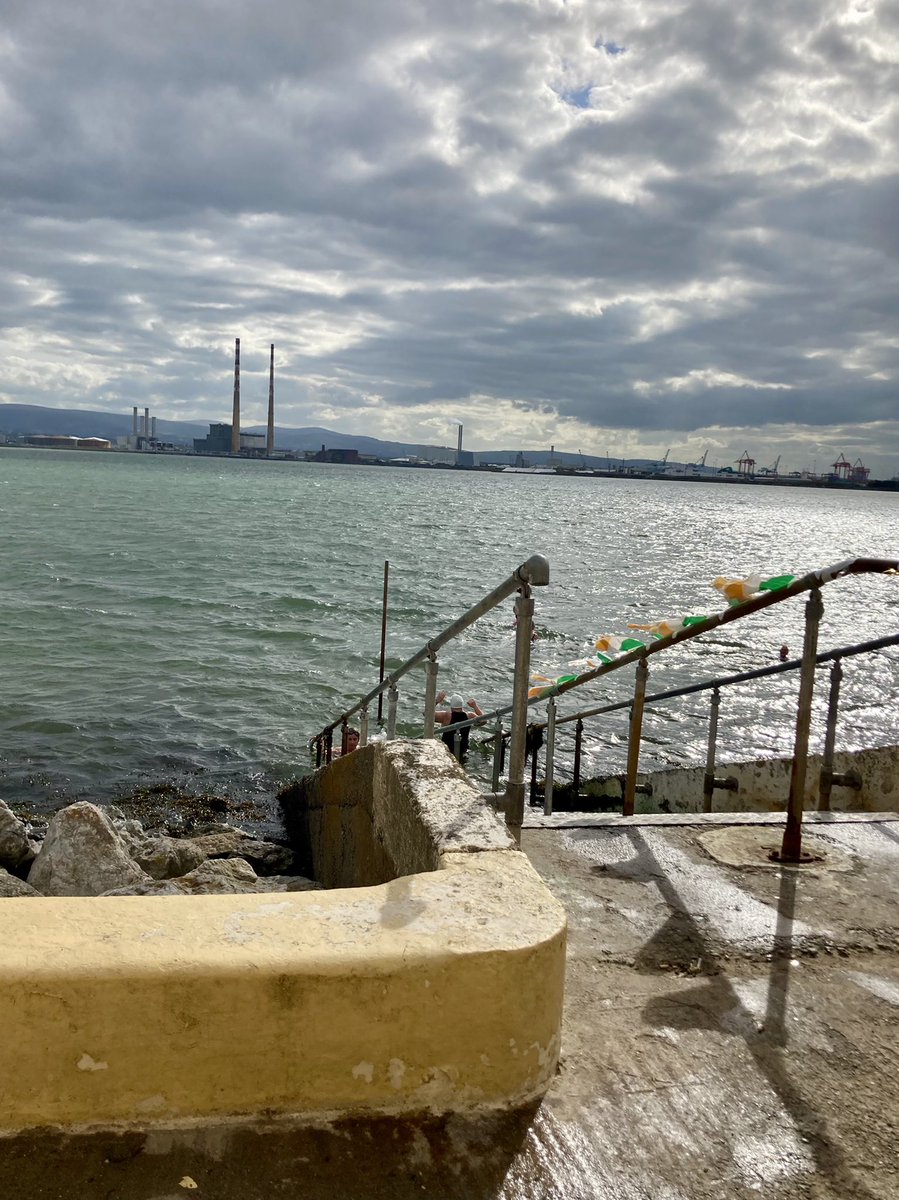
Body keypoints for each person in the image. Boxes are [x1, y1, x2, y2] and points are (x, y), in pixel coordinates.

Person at [434, 691, 483, 763]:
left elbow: (426, 714)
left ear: (451, 705)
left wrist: (437, 701)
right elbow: (484, 720)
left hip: (447, 751)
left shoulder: (447, 716)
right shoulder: (470, 716)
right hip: (462, 751)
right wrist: (475, 706)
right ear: (462, 705)